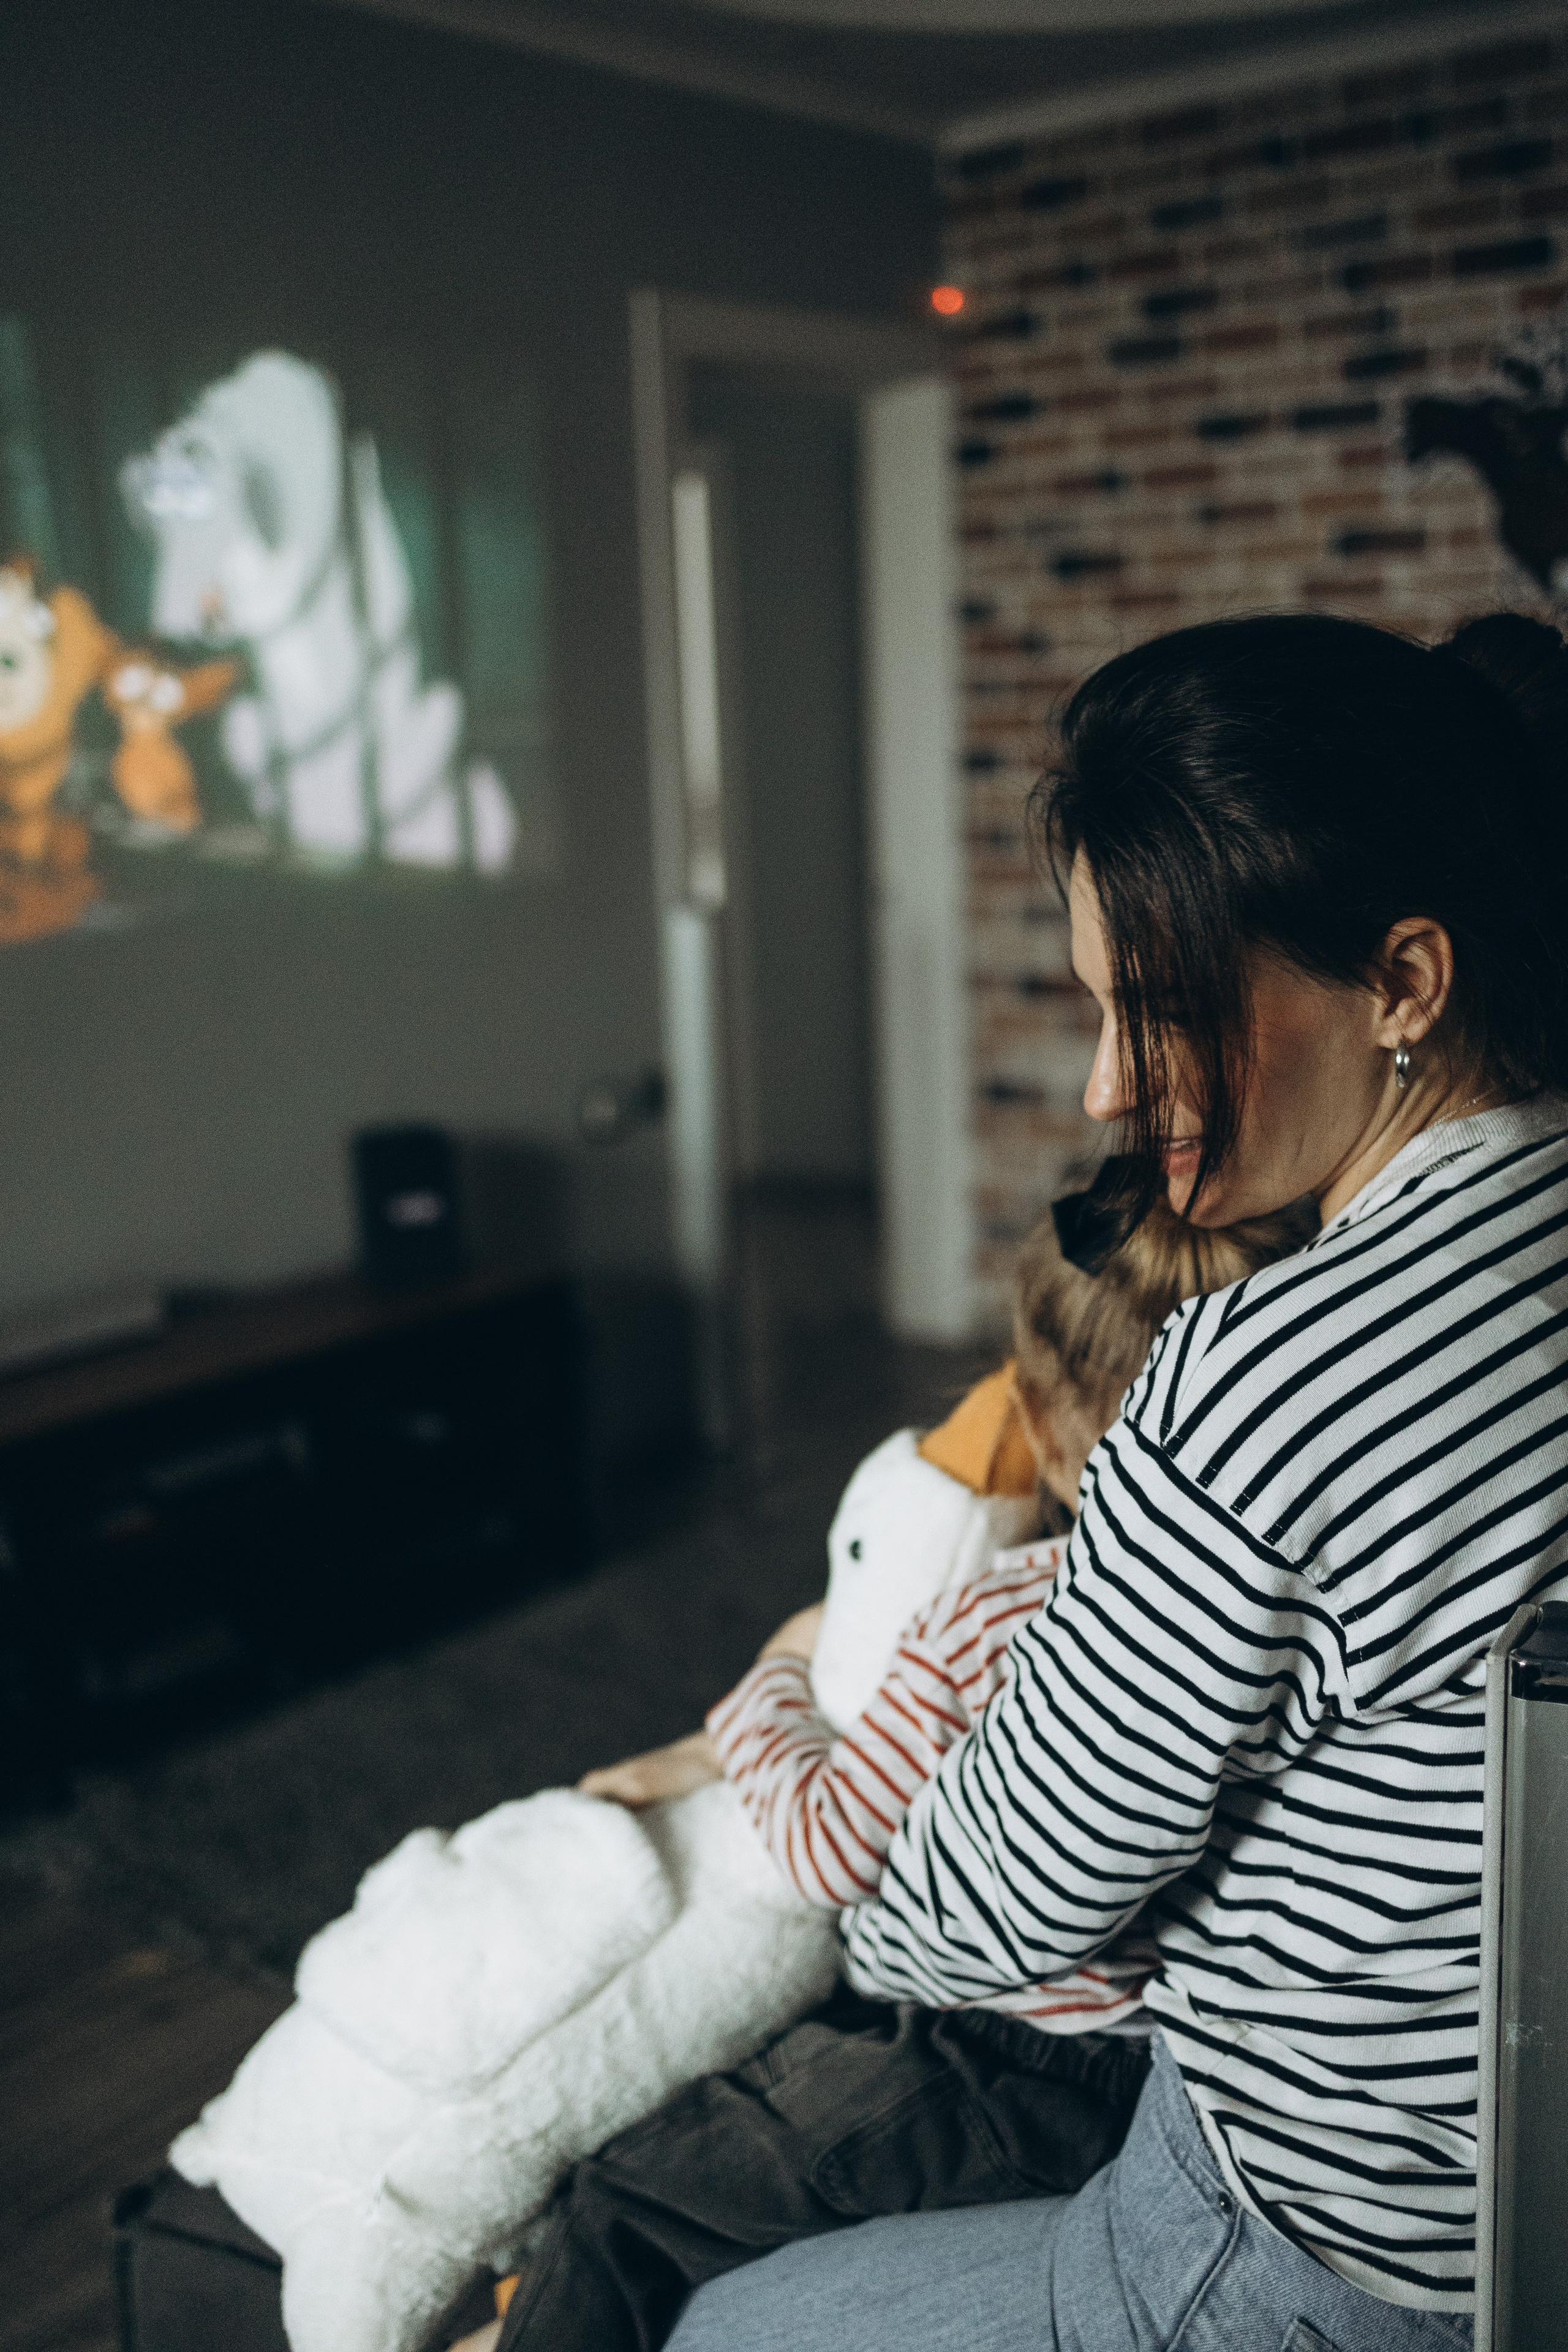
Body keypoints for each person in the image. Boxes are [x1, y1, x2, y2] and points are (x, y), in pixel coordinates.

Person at [652, 610, 1568, 2352]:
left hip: (1316, 2257)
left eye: (1163, 1013)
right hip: (1518, 2214)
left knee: (723, 2328)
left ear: (1406, 982)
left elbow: (956, 1919)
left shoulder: (1267, 1378)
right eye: (1096, 1011)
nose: (1103, 1086)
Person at [472, 1190, 1311, 2352]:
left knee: (635, 2193)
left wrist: (769, 1679)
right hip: (1167, 2076)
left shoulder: (986, 1618)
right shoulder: (1264, 1613)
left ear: (1033, 1418)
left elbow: (827, 1847)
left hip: (1006, 2062)